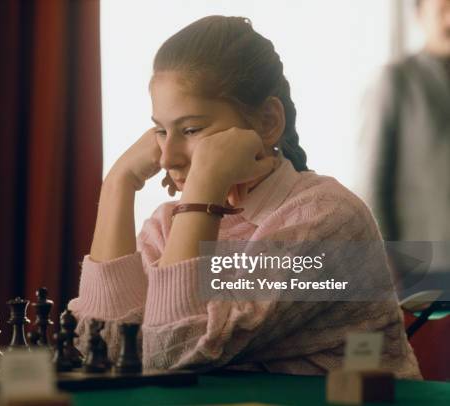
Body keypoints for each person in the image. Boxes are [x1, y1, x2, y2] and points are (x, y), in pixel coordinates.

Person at [68, 15, 421, 378]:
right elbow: (107, 354)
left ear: (268, 122)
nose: (168, 156)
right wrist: (117, 186)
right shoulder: (166, 225)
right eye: (161, 130)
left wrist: (204, 186)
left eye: (191, 129)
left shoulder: (326, 217)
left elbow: (169, 355)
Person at [359, 0, 450, 247]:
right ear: (420, 15)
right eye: (442, 10)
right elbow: (373, 178)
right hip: (423, 261)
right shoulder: (396, 80)